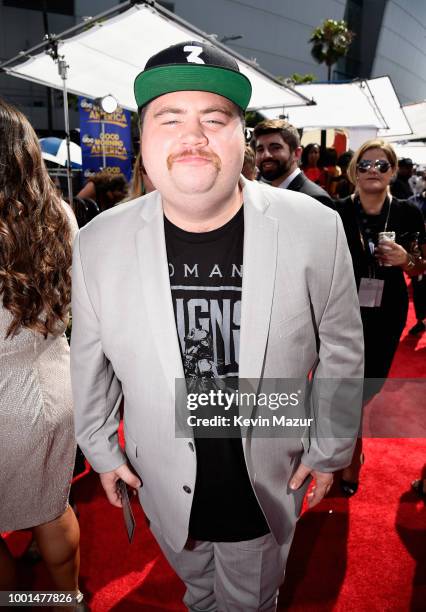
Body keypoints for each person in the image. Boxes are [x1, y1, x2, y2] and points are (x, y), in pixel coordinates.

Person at [71, 41, 364, 611]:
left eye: (215, 118)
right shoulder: (97, 242)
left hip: (263, 473)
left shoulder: (315, 227)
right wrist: (101, 449)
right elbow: (90, 359)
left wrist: (330, 447)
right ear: (144, 140)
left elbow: (342, 350)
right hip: (161, 475)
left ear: (241, 138)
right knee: (198, 590)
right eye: (169, 117)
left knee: (251, 601)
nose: (194, 136)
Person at [0, 99, 85, 608]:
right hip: (54, 386)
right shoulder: (60, 215)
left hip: (5, 396)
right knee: (52, 508)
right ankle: (67, 600)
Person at [335, 140, 425, 495]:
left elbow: (422, 264)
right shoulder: (335, 211)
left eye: (381, 165)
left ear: (392, 172)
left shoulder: (407, 213)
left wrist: (406, 260)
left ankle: (346, 446)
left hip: (388, 311)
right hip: (341, 309)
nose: (373, 171)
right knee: (344, 385)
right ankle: (349, 453)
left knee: (367, 386)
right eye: (365, 165)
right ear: (354, 171)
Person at [253, 119, 334, 208]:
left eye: (275, 148)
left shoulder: (316, 199)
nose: (266, 155)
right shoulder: (263, 193)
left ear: (296, 153)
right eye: (260, 149)